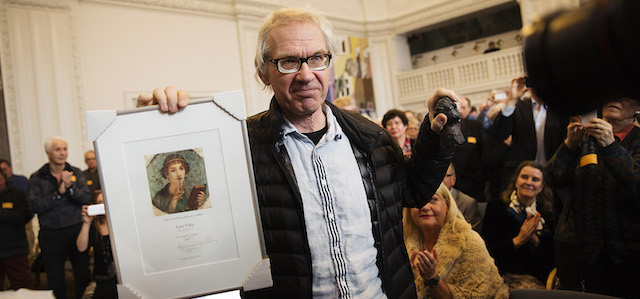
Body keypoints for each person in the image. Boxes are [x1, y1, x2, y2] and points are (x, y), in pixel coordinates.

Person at [138, 7, 458, 298]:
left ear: (329, 65)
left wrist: (434, 134)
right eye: (289, 61)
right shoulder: (238, 147)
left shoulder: (369, 136)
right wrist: (157, 131)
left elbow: (413, 191)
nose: (306, 74)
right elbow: (183, 229)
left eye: (317, 58)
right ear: (264, 73)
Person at [546, 98, 640, 298]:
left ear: (637, 107)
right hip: (580, 252)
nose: (614, 99)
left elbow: (636, 185)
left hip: (627, 255)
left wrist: (611, 145)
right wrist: (569, 145)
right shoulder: (585, 139)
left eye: (623, 95)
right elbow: (554, 179)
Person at [403, 183, 503, 298]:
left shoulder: (470, 243)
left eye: (433, 200)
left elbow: (473, 295)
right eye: (418, 201)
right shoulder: (402, 242)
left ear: (447, 205)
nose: (425, 207)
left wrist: (431, 277)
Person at [27, 136, 91, 299]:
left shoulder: (75, 172)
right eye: (58, 149)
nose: (62, 153)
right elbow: (34, 207)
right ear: (48, 153)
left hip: (76, 230)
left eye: (65, 149)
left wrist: (69, 188)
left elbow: (85, 198)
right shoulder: (37, 177)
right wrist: (58, 193)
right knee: (55, 279)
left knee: (82, 275)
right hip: (51, 234)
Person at [482, 161, 554, 284]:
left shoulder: (547, 213)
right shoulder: (496, 207)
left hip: (535, 280)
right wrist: (519, 240)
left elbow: (550, 260)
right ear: (516, 181)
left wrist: (535, 242)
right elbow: (487, 252)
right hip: (500, 276)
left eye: (535, 179)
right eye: (524, 177)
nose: (529, 183)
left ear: (541, 187)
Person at [77, 191, 117, 299]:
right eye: (99, 202)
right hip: (100, 278)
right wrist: (86, 223)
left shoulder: (119, 224)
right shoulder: (94, 227)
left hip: (119, 278)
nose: (103, 205)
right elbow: (81, 248)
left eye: (105, 202)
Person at [0, 171, 35, 290]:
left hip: (15, 250)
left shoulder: (17, 194)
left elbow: (24, 216)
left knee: (24, 287)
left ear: (4, 179)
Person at [452, 97, 486, 202]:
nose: (460, 110)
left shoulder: (476, 126)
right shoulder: (446, 128)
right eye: (457, 107)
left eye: (463, 107)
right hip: (455, 181)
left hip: (473, 180)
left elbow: (483, 151)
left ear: (469, 109)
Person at [441, 163, 482, 232]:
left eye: (444, 176)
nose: (439, 180)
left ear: (453, 179)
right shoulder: (425, 202)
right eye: (435, 176)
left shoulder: (467, 203)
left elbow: (471, 235)